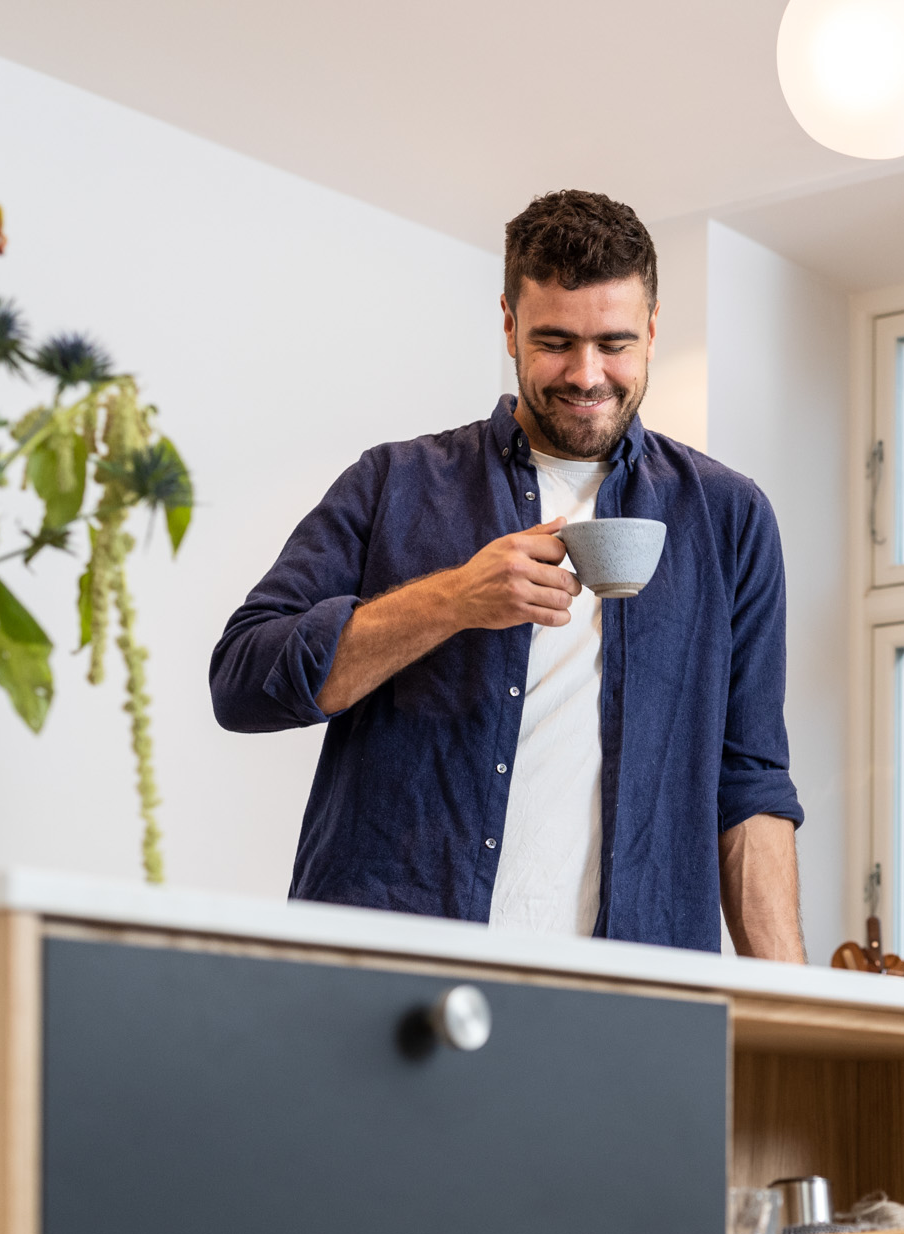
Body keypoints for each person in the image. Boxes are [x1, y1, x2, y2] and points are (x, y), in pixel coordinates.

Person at [210, 191, 805, 961]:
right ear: (509, 325)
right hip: (394, 978)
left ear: (654, 329)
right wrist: (452, 599)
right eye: (555, 340)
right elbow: (241, 680)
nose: (587, 374)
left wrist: (797, 1014)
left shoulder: (728, 518)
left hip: (632, 992)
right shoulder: (396, 482)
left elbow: (750, 788)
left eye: (615, 343)